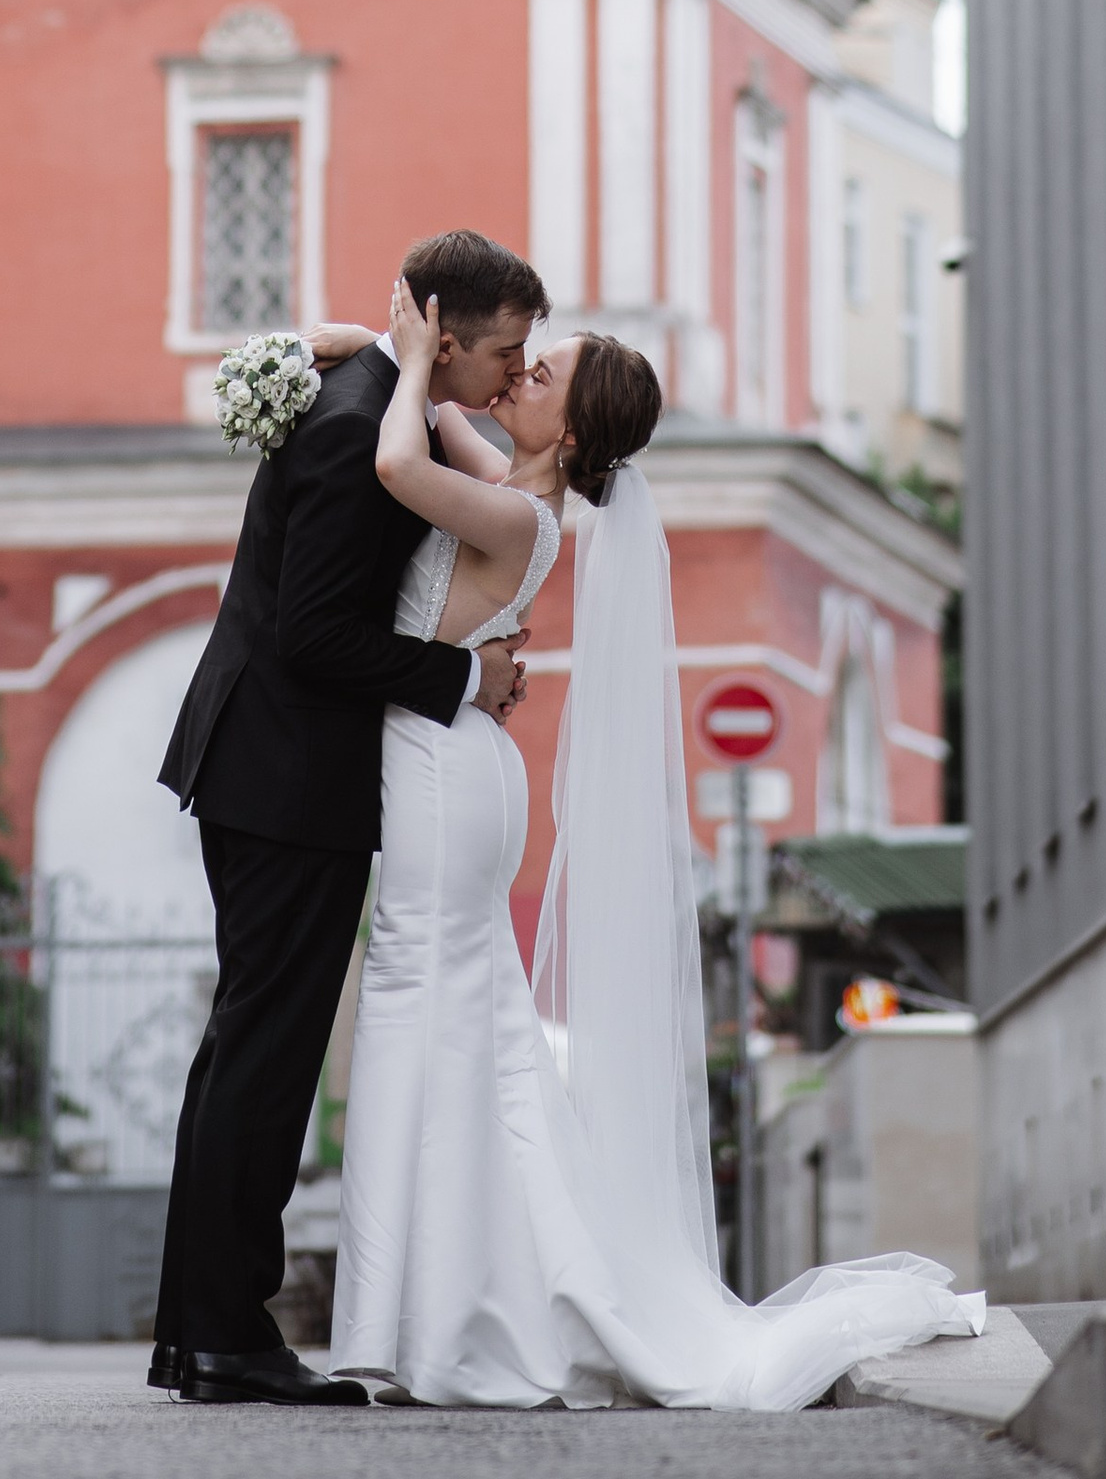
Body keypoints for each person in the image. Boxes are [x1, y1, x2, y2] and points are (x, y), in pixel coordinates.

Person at [325, 277, 983, 1410]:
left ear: (570, 431)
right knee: (468, 1026)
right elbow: (432, 415)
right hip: (457, 760)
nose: (518, 372)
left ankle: (440, 1312)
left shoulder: (516, 512)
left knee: (427, 1006)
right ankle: (457, 1303)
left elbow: (394, 464)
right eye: (524, 360)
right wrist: (374, 346)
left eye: (543, 371)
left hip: (445, 768)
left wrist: (407, 352)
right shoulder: (513, 485)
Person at [148, 228, 544, 1409]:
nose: (507, 377)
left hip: (278, 771)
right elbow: (317, 633)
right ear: (441, 326)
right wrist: (468, 681)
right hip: (281, 777)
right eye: (501, 352)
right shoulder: (348, 428)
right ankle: (226, 1332)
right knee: (264, 1058)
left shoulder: (384, 397)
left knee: (244, 1050)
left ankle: (199, 1331)